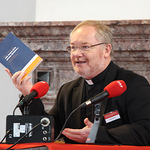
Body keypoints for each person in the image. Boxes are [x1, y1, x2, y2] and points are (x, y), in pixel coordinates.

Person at [5, 20, 150, 145]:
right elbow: (50, 131)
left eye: (85, 47)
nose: (76, 54)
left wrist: (97, 135)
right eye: (73, 47)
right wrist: (30, 94)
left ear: (106, 50)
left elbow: (146, 130)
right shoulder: (68, 91)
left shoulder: (133, 84)